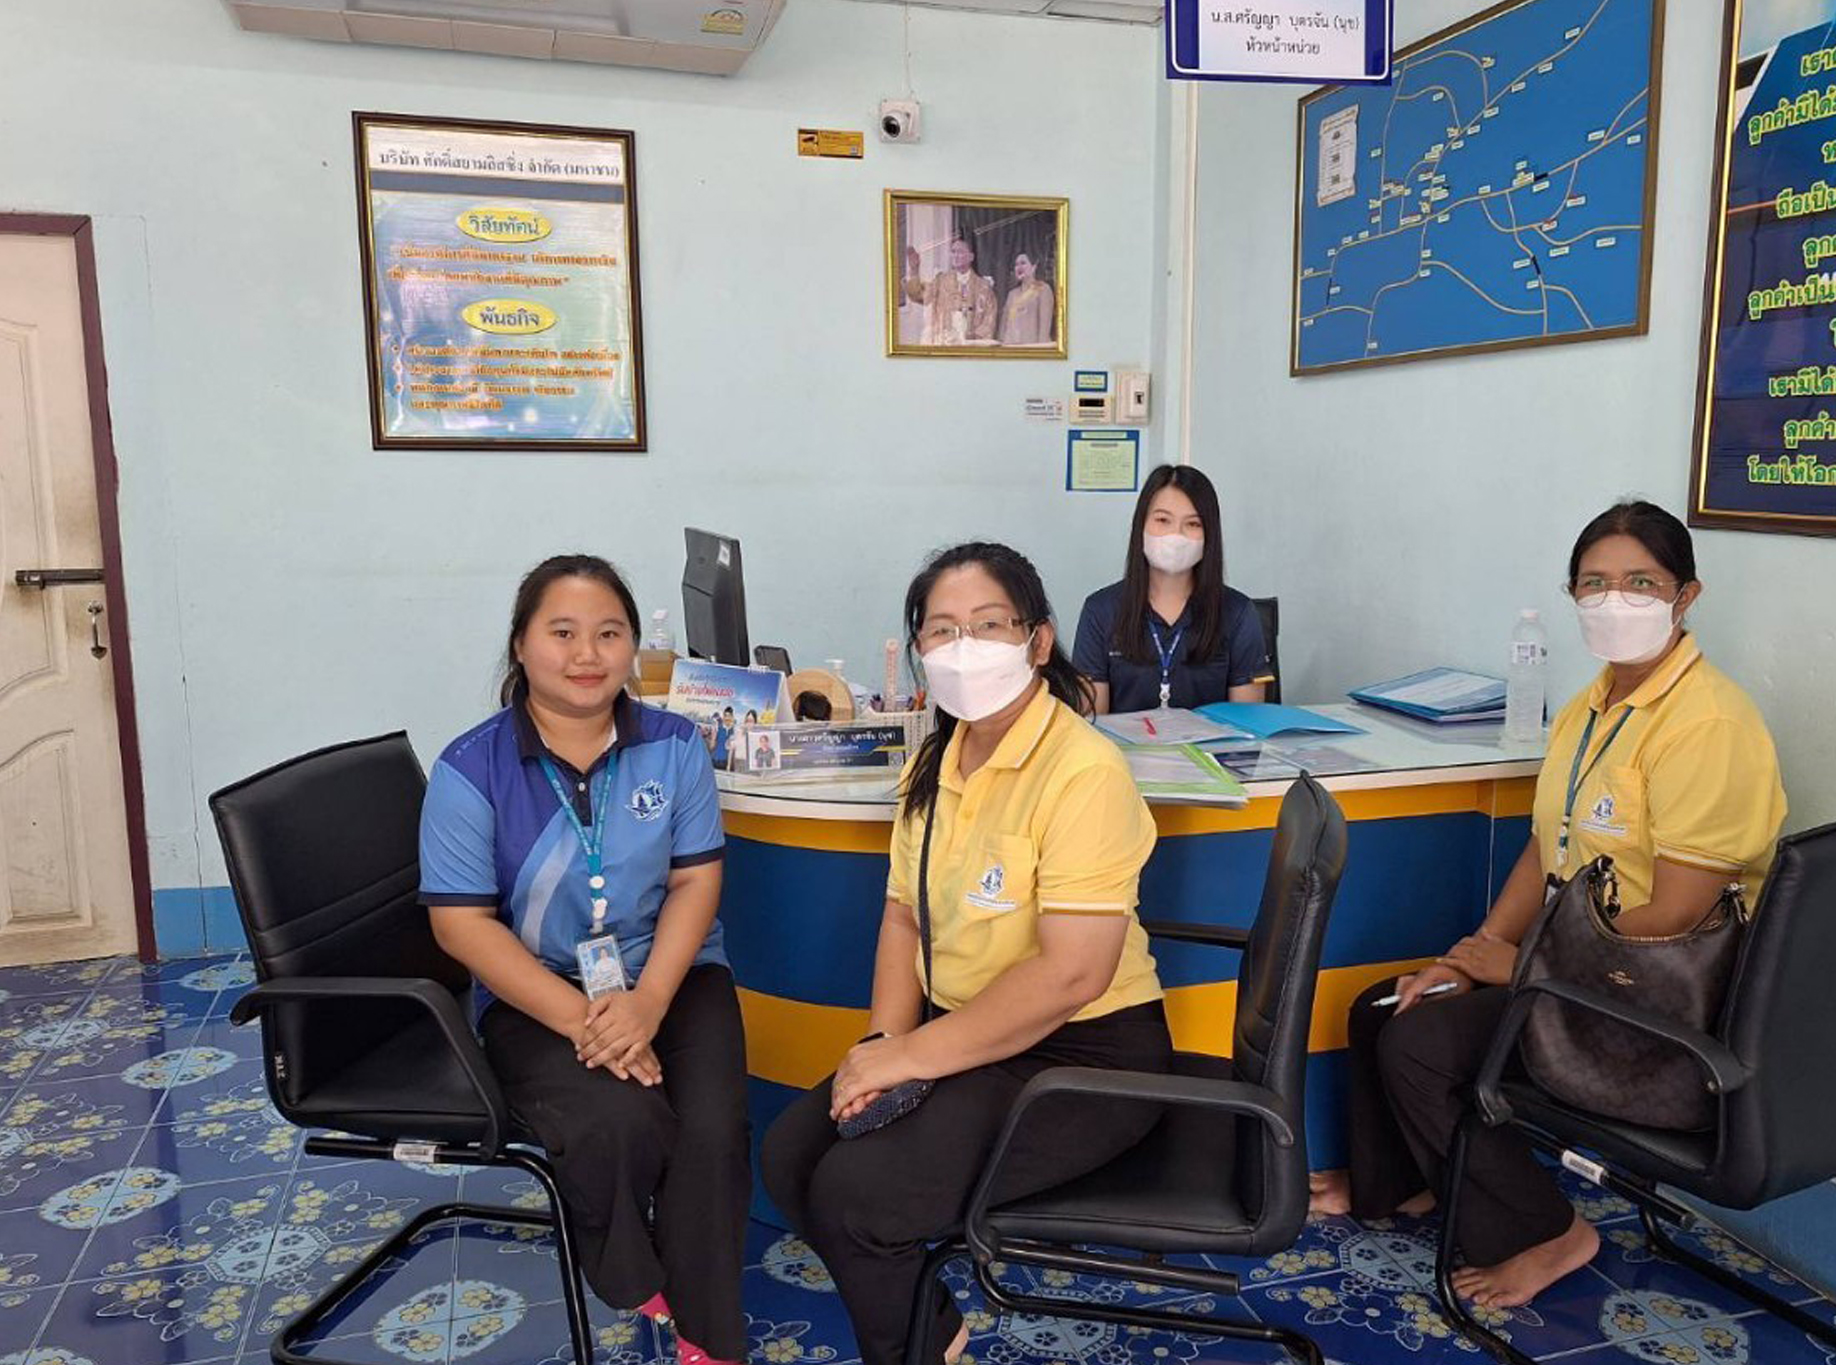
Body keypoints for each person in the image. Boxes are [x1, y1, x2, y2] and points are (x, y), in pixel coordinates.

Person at [1307, 501, 1787, 1311]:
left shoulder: (1708, 724)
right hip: (1581, 967)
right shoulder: (1592, 706)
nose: (1616, 600)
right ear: (1571, 595)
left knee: (1420, 1046)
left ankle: (1545, 1231)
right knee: (1384, 1005)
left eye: (1642, 582)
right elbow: (1547, 844)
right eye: (1595, 583)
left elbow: (1673, 914)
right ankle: (1407, 1185)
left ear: (1686, 596)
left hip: (1648, 999)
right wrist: (1475, 950)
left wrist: (1525, 967)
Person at [760, 542, 1173, 1365]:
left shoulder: (1083, 771)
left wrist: (910, 1056)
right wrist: (883, 1044)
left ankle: (914, 1349)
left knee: (855, 1198)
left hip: (1086, 1055)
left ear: (1040, 640)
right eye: (941, 631)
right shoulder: (935, 760)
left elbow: (1070, 975)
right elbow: (902, 920)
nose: (964, 648)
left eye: (988, 626)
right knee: (789, 1154)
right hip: (971, 1037)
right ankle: (934, 1332)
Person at [419, 554, 750, 1365]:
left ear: (633, 646)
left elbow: (696, 879)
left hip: (674, 973)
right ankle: (634, 1273)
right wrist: (586, 1020)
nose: (586, 654)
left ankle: (710, 1341)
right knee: (617, 1119)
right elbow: (462, 927)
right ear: (522, 646)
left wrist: (648, 1003)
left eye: (609, 633)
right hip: (537, 991)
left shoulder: (674, 746)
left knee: (711, 1129)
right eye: (562, 633)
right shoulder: (472, 768)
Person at [1073, 464, 1273, 714]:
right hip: (1123, 753)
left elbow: (1248, 726)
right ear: (1141, 526)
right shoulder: (1100, 610)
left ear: (1209, 535)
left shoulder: (1238, 612)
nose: (1175, 536)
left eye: (1193, 524)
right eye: (1162, 520)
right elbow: (1092, 725)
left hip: (1208, 753)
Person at [902, 237, 997, 345]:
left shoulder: (983, 287)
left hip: (972, 347)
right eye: (953, 252)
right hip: (945, 344)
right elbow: (918, 295)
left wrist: (973, 341)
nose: (955, 255)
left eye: (960, 252)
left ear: (971, 257)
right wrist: (914, 271)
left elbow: (989, 320)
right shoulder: (940, 281)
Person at [998, 252, 1054, 346]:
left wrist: (1042, 351)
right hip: (1010, 347)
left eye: (1023, 263)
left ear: (1034, 267)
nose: (1019, 267)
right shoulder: (1012, 294)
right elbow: (1004, 326)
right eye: (1016, 264)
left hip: (1031, 347)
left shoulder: (1043, 289)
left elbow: (1044, 326)